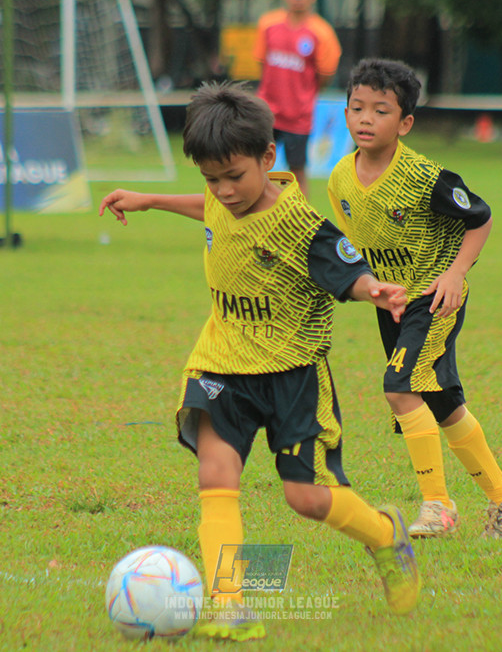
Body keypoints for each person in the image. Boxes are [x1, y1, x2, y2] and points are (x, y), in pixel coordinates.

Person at [100, 83, 420, 641]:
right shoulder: (222, 198)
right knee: (215, 474)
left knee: (307, 498)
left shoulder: (299, 224)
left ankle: (383, 533)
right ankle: (230, 604)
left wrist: (376, 291)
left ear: (267, 159)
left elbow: (346, 270)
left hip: (292, 372)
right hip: (221, 363)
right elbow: (209, 210)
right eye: (211, 178)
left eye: (234, 176)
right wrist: (151, 199)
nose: (223, 191)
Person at [327, 58, 502, 540]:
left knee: (399, 387)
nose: (365, 119)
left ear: (405, 122)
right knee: (441, 404)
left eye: (380, 110)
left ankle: (437, 506)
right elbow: (354, 241)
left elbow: (480, 218)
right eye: (357, 108)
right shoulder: (339, 178)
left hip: (433, 298)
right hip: (392, 302)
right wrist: (370, 288)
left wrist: (456, 274)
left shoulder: (424, 177)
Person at [254, 0, 341, 199]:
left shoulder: (322, 32)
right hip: (266, 112)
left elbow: (325, 73)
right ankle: (254, 216)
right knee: (254, 165)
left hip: (298, 116)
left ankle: (303, 224)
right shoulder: (268, 23)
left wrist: (303, 94)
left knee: (298, 171)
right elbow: (260, 62)